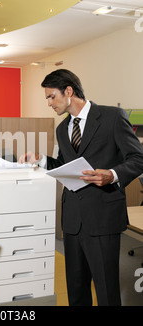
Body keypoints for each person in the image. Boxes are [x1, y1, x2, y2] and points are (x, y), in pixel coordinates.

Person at [19, 69, 143, 306]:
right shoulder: (62, 129)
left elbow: (138, 159)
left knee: (106, 290)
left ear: (68, 91)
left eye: (51, 97)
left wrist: (113, 175)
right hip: (73, 220)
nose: (49, 103)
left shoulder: (112, 117)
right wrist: (41, 159)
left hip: (103, 217)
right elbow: (68, 166)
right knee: (76, 290)